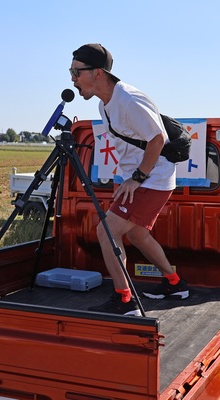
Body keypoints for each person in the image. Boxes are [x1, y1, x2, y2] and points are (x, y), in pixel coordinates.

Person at [70, 43, 189, 316]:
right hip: (141, 178)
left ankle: (125, 300)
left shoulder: (130, 100)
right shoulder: (105, 104)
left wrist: (136, 178)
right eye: (71, 73)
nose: (73, 80)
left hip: (152, 178)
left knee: (106, 231)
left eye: (76, 72)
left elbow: (158, 139)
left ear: (97, 72)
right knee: (137, 234)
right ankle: (175, 283)